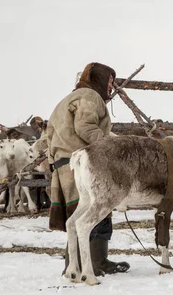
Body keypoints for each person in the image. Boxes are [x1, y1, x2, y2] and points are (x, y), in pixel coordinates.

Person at [46, 62, 129, 276]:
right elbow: (85, 127)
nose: (112, 85)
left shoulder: (67, 99)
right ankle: (87, 264)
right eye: (109, 80)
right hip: (84, 163)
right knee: (91, 212)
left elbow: (50, 136)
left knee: (80, 213)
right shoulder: (90, 97)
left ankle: (89, 262)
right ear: (98, 79)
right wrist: (111, 148)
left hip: (65, 161)